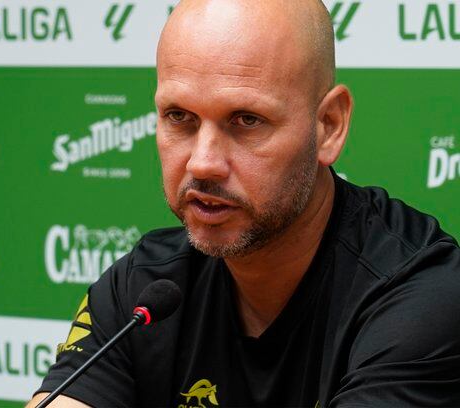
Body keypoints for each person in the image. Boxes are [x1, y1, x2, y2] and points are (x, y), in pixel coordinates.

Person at [28, 0, 460, 406]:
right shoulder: (142, 291)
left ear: (328, 126)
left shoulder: (421, 296)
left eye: (246, 120)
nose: (203, 163)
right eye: (180, 117)